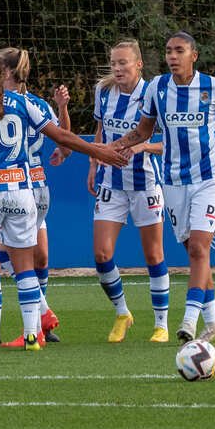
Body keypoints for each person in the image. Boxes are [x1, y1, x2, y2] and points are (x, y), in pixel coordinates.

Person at [0, 51, 126, 352]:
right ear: (0, 74)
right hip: (23, 191)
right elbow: (62, 136)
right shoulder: (24, 103)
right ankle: (33, 335)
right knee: (26, 268)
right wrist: (97, 151)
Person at [110, 31, 215, 343]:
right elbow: (142, 131)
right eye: (169, 51)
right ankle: (213, 325)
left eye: (179, 51)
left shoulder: (212, 86)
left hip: (209, 181)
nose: (172, 56)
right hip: (172, 183)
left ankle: (188, 322)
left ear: (193, 55)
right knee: (195, 253)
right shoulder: (157, 88)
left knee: (199, 248)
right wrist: (111, 148)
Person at [0, 47, 70, 350]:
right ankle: (36, 324)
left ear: (4, 72)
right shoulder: (35, 104)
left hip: (10, 185)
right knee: (31, 257)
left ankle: (31, 322)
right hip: (35, 187)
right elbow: (64, 139)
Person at [88, 39, 170, 343]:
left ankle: (161, 324)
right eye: (113, 63)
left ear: (139, 64)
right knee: (101, 253)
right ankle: (123, 312)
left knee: (153, 254)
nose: (117, 68)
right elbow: (100, 131)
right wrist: (94, 163)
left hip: (145, 184)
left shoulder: (155, 94)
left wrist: (144, 146)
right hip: (111, 184)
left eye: (123, 63)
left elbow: (170, 143)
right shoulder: (103, 92)